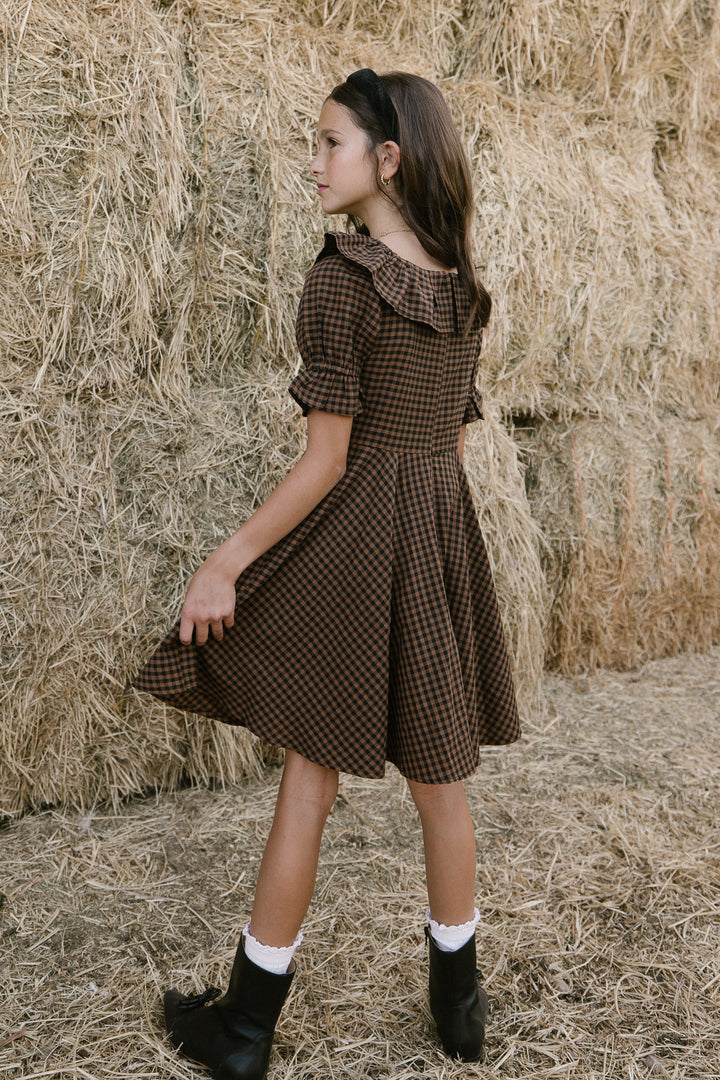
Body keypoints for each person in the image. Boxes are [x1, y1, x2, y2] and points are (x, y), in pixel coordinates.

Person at [134, 68, 520, 1080]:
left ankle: (248, 1031)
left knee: (311, 777)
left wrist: (225, 564)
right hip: (434, 539)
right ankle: (461, 1011)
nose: (314, 163)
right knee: (443, 787)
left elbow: (328, 463)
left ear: (386, 160)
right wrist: (436, 557)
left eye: (329, 143)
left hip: (358, 551)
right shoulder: (462, 284)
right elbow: (449, 455)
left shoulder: (344, 279)